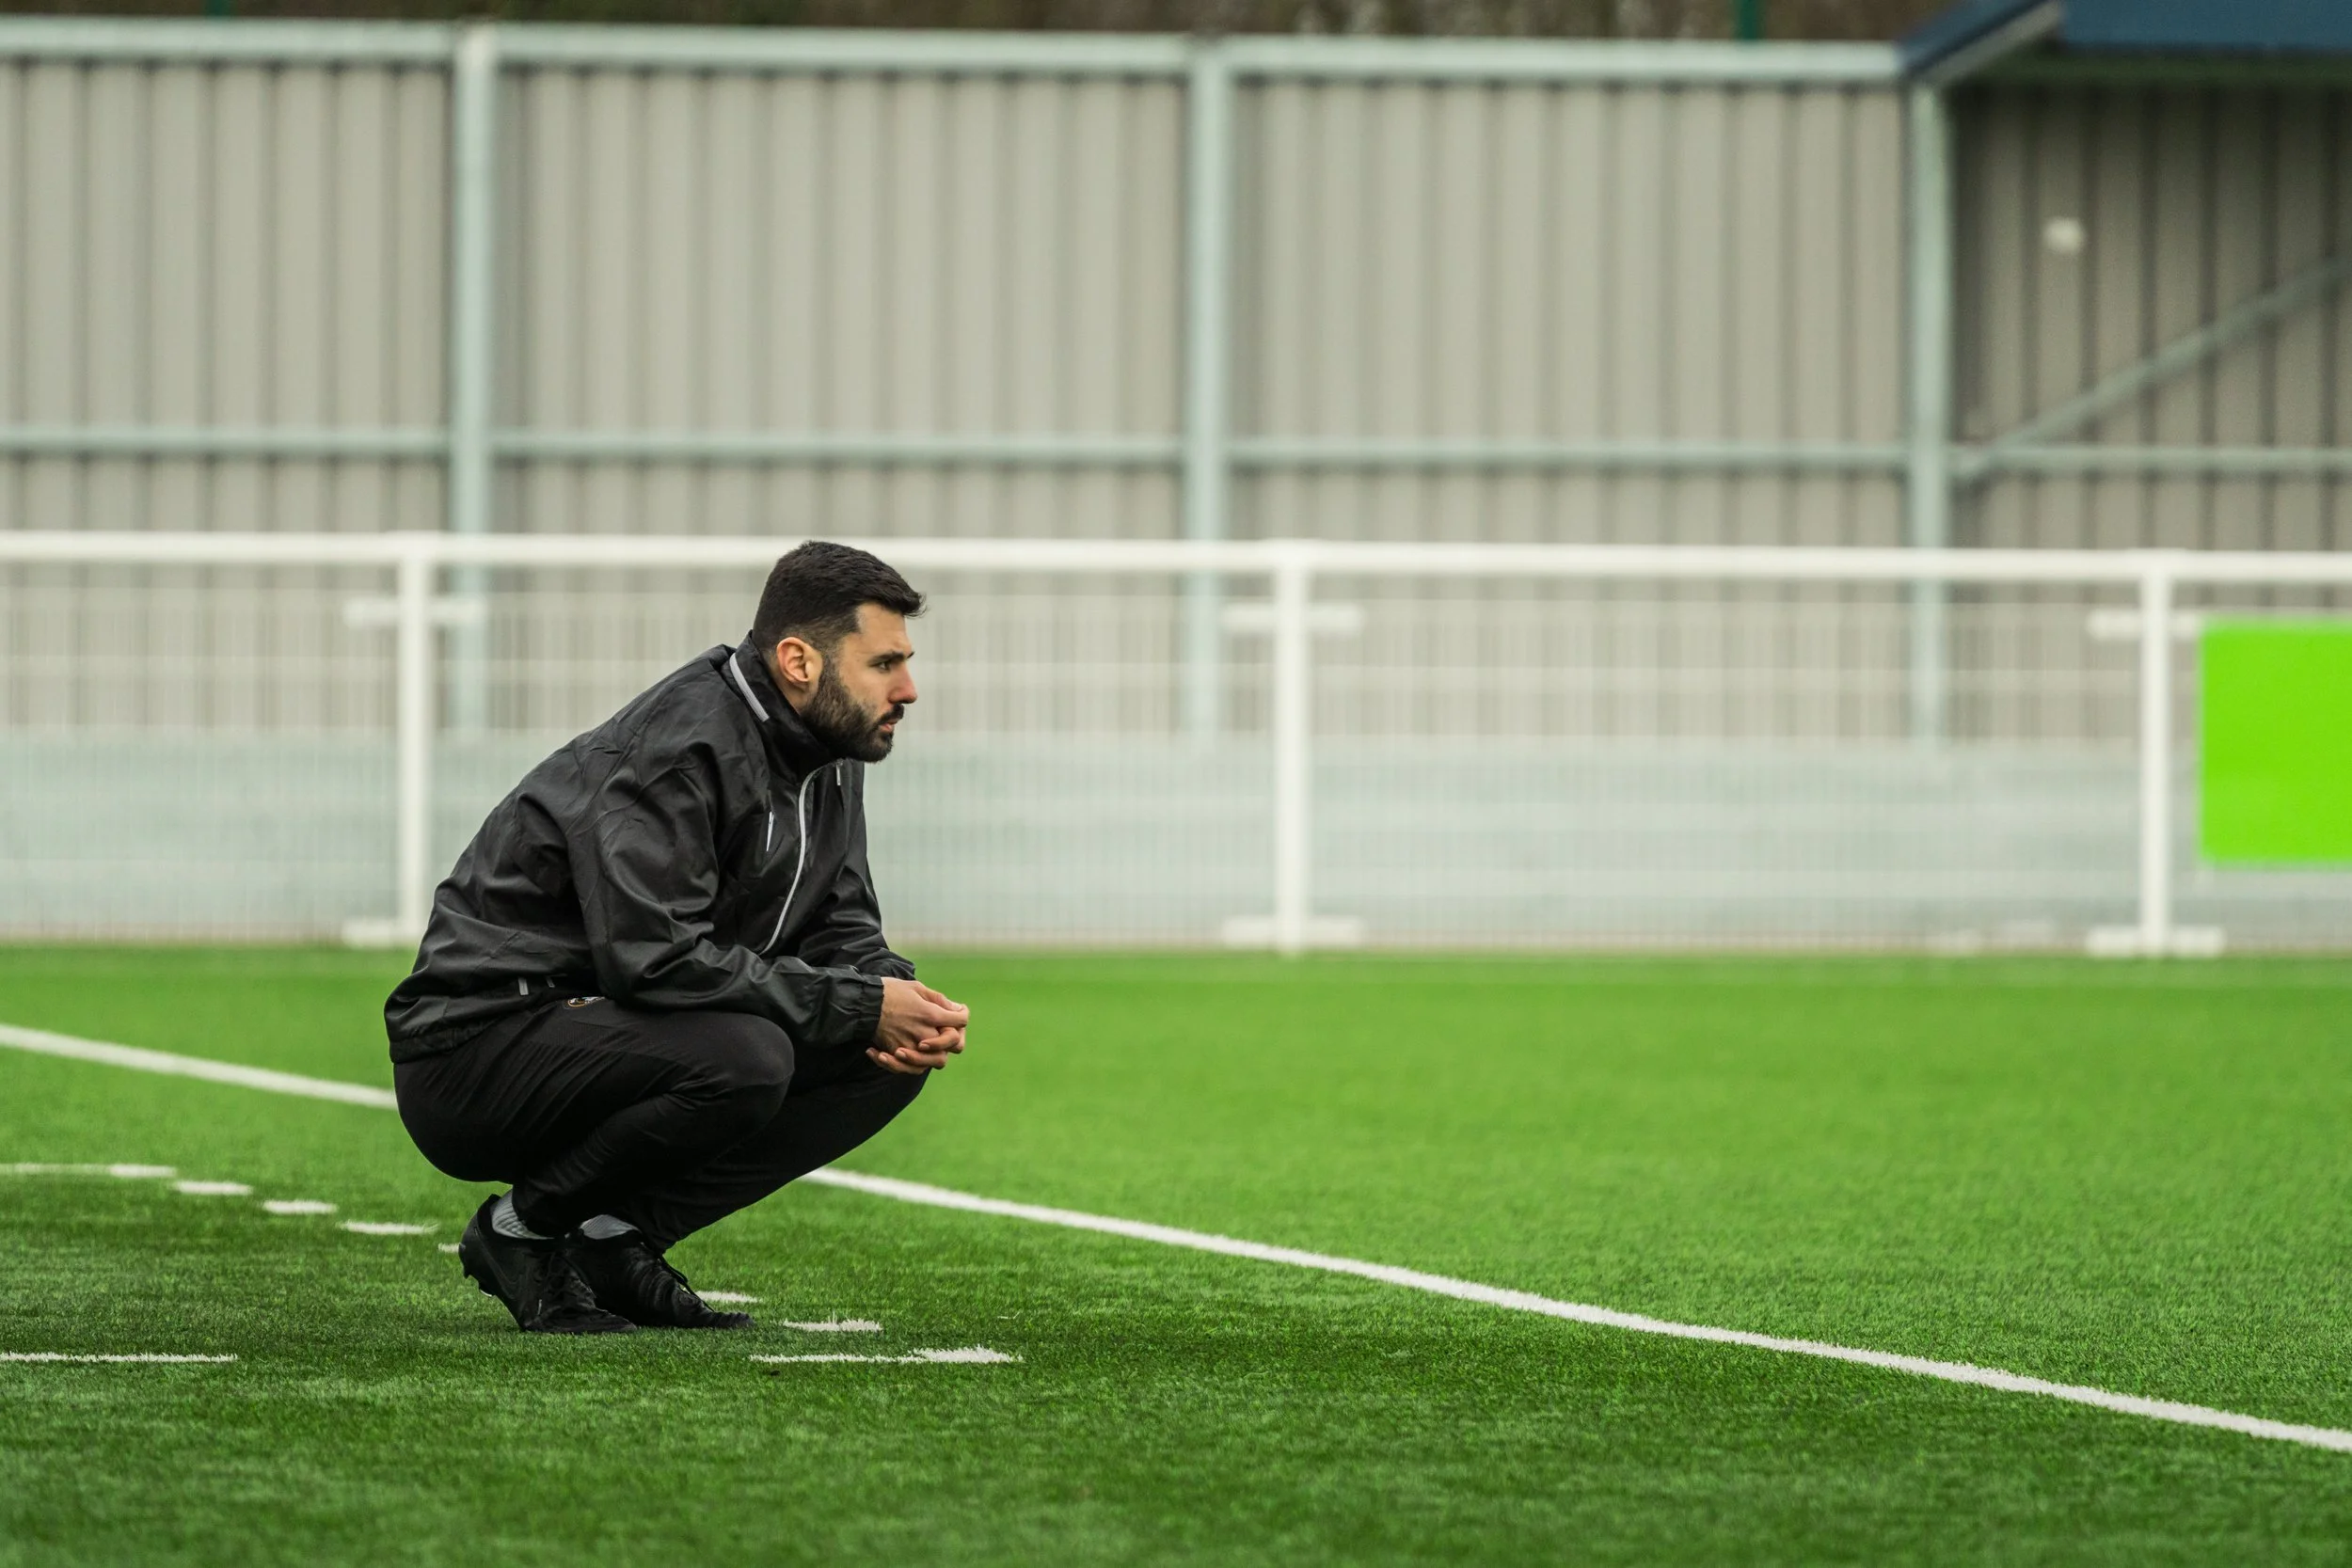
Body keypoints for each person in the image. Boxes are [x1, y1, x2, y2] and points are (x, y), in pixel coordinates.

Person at [383, 541, 970, 1335]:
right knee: (749, 1060)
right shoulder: (678, 747)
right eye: (884, 663)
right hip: (473, 1049)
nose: (908, 688)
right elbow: (654, 960)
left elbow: (840, 918)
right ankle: (520, 1232)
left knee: (881, 1059)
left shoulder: (828, 749)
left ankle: (615, 1239)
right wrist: (858, 1001)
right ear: (799, 660)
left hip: (611, 1026)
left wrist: (893, 992)